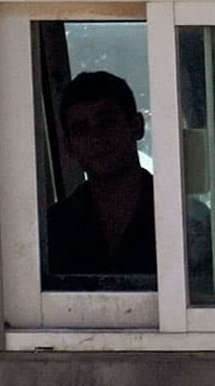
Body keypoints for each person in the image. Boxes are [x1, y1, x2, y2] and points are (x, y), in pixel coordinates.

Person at [44, 70, 156, 287]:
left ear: (136, 126)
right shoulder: (52, 230)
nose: (96, 137)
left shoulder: (182, 219)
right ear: (69, 146)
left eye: (107, 123)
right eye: (81, 129)